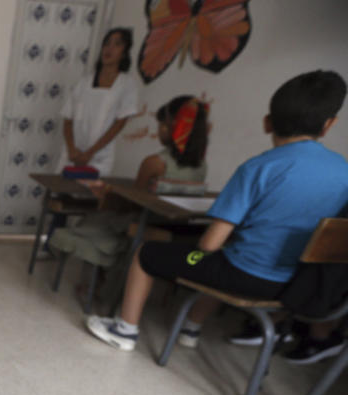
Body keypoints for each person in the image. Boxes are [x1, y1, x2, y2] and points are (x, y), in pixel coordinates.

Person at [85, 70, 348, 351]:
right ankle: (190, 328)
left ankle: (125, 330)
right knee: (222, 258)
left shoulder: (258, 168)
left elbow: (209, 244)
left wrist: (200, 248)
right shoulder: (344, 172)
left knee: (154, 253)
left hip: (242, 274)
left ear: (267, 123)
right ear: (328, 125)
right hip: (299, 283)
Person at [50, 95, 210, 303]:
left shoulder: (155, 163)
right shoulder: (202, 166)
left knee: (93, 221)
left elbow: (133, 201)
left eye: (160, 123)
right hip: (172, 225)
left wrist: (106, 193)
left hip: (141, 223)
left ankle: (94, 284)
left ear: (168, 128)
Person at [42, 27, 141, 254]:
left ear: (125, 52)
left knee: (95, 201)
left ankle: (82, 246)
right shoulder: (84, 82)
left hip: (100, 156)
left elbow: (119, 123)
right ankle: (51, 244)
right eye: (107, 43)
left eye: (117, 44)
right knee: (61, 194)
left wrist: (91, 151)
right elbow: (67, 118)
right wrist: (73, 149)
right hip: (73, 153)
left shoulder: (126, 85)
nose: (109, 48)